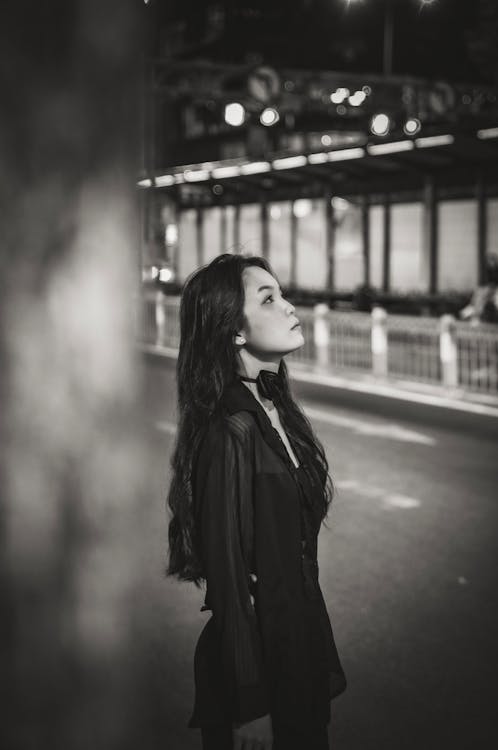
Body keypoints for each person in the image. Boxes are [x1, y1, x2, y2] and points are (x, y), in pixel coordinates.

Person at [166, 253, 347, 750]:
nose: (290, 307)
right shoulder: (232, 429)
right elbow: (229, 581)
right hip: (258, 674)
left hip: (299, 649)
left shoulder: (274, 409)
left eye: (282, 293)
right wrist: (251, 707)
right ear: (234, 330)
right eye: (269, 299)